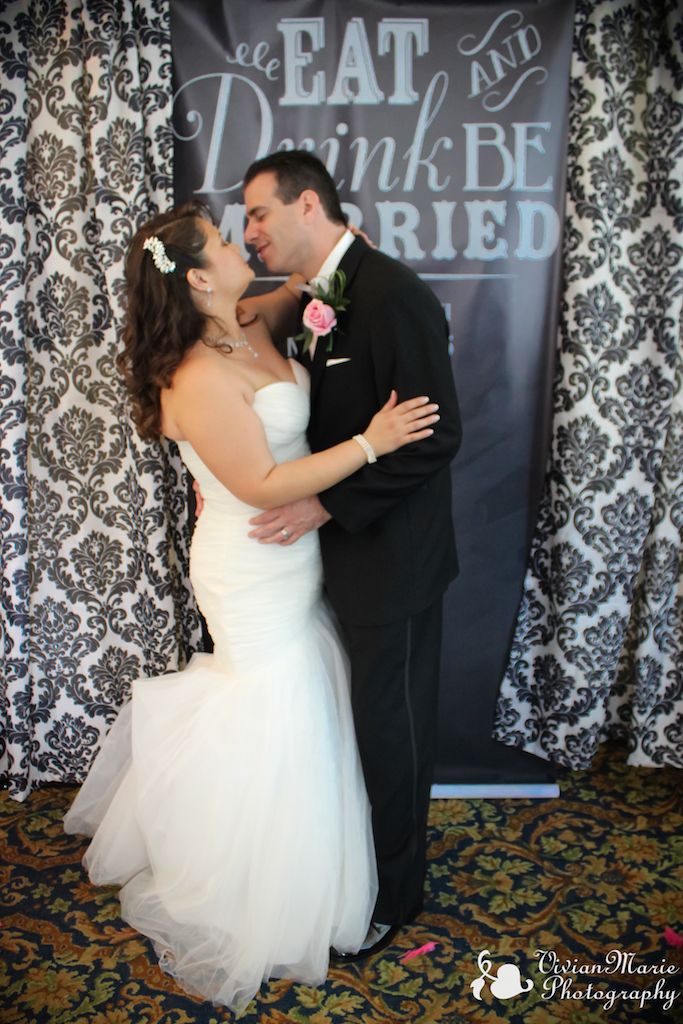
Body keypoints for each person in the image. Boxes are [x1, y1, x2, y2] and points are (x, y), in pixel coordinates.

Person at [62, 201, 440, 1012]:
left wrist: (342, 255)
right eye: (225, 241)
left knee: (308, 700)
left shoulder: (249, 318)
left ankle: (317, 861)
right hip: (250, 559)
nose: (242, 244)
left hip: (299, 555)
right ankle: (261, 882)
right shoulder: (195, 376)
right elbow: (262, 485)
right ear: (198, 278)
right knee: (274, 701)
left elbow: (315, 282)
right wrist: (370, 444)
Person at [241, 151, 462, 959]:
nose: (249, 232)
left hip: (390, 565)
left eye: (258, 213)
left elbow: (436, 436)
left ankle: (394, 901)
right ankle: (357, 874)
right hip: (331, 563)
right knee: (357, 734)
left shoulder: (392, 293)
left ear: (307, 204)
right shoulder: (321, 294)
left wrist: (324, 505)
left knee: (391, 736)